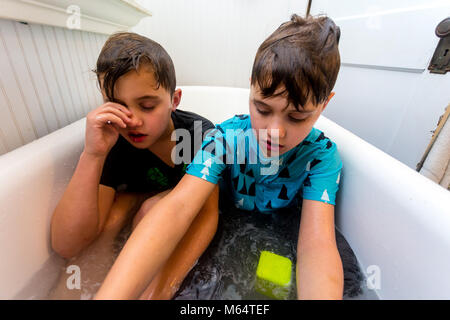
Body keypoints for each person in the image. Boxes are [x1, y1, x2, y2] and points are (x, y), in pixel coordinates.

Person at [95, 14, 344, 300]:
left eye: (297, 116)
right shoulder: (224, 139)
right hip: (225, 224)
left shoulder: (322, 157)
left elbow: (317, 246)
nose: (274, 132)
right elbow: (178, 207)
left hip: (277, 232)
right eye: (262, 109)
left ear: (324, 104)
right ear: (251, 88)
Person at [50, 32, 219, 300]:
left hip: (176, 208)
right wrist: (93, 154)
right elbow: (67, 245)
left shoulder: (200, 134)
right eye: (118, 106)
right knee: (113, 218)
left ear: (175, 101)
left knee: (149, 210)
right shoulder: (114, 142)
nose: (132, 121)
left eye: (147, 106)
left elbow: (208, 214)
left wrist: (160, 290)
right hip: (139, 201)